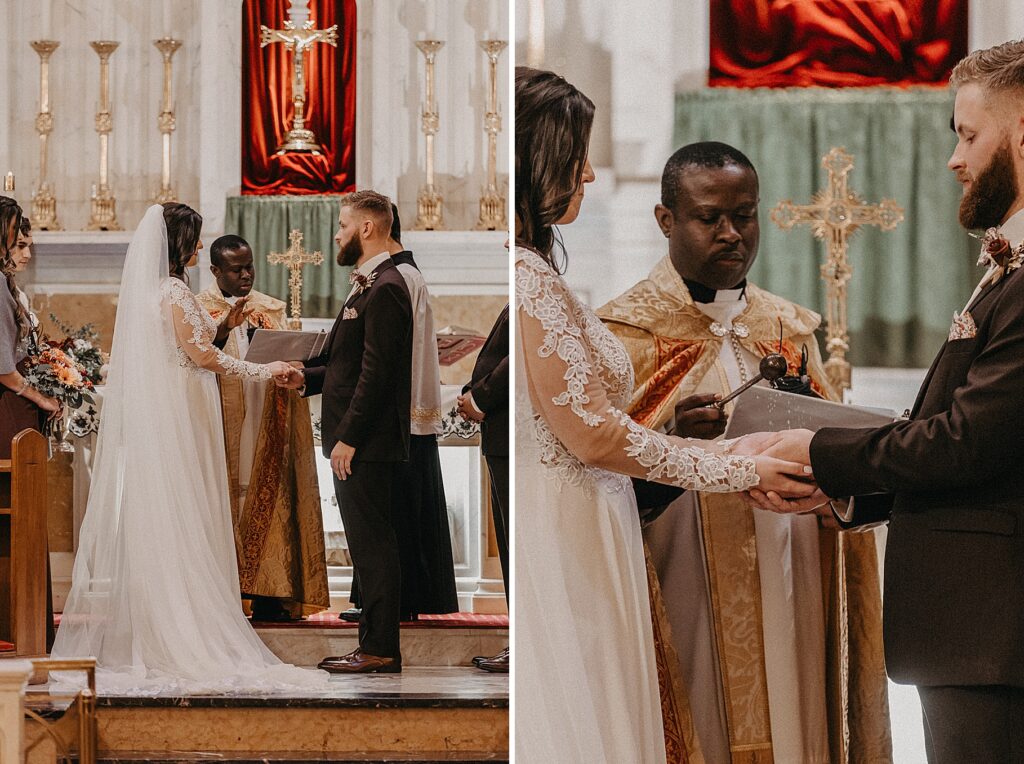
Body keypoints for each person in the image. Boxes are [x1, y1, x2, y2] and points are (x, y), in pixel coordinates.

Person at [513, 67, 815, 763]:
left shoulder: (788, 325)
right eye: (577, 154)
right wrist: (730, 462)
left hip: (749, 555)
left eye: (745, 215)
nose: (589, 173)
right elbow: (595, 433)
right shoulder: (568, 296)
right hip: (626, 541)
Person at [747, 40, 1024, 764]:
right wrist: (845, 490)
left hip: (994, 633)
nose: (954, 159)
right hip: (978, 635)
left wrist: (819, 451)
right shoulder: (1011, 269)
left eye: (969, 135)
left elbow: (965, 441)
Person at [597, 142, 891, 763]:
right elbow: (600, 475)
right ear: (666, 220)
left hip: (794, 566)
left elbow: (838, 450)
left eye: (745, 215)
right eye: (710, 218)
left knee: (798, 711)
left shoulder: (789, 329)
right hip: (683, 574)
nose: (731, 233)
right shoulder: (624, 334)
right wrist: (671, 438)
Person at [50, 203, 322, 693]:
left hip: (181, 405)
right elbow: (201, 355)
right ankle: (185, 626)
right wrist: (264, 370)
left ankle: (177, 614)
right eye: (195, 239)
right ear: (177, 242)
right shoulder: (174, 291)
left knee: (180, 508)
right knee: (187, 507)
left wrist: (230, 333)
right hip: (184, 409)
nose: (199, 247)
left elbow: (190, 345)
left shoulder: (158, 291)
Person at [278, 190, 413, 674]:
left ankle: (380, 648)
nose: (337, 235)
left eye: (342, 225)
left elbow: (378, 374)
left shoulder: (387, 286)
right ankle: (373, 645)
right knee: (366, 545)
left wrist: (349, 438)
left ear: (367, 228)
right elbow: (345, 364)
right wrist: (305, 378)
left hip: (367, 443)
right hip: (359, 439)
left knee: (374, 546)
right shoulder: (368, 284)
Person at [197, 235, 330, 622]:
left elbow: (288, 356)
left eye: (250, 267)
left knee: (272, 496)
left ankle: (271, 590)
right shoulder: (199, 309)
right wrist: (225, 329)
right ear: (215, 271)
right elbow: (199, 359)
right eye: (236, 269)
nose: (246, 275)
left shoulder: (268, 309)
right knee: (227, 498)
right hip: (222, 422)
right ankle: (224, 592)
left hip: (267, 416)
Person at [0, 202, 59, 651]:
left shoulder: (7, 284)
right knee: (16, 511)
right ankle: (16, 623)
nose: (27, 250)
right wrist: (42, 396)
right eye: (19, 241)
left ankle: (23, 622)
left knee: (25, 511)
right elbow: (4, 367)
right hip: (8, 409)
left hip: (14, 407)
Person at [458, 304, 508, 673]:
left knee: (515, 550)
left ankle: (524, 644)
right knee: (510, 549)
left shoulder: (531, 291)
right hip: (503, 437)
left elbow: (515, 358)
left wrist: (478, 398)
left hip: (509, 435)